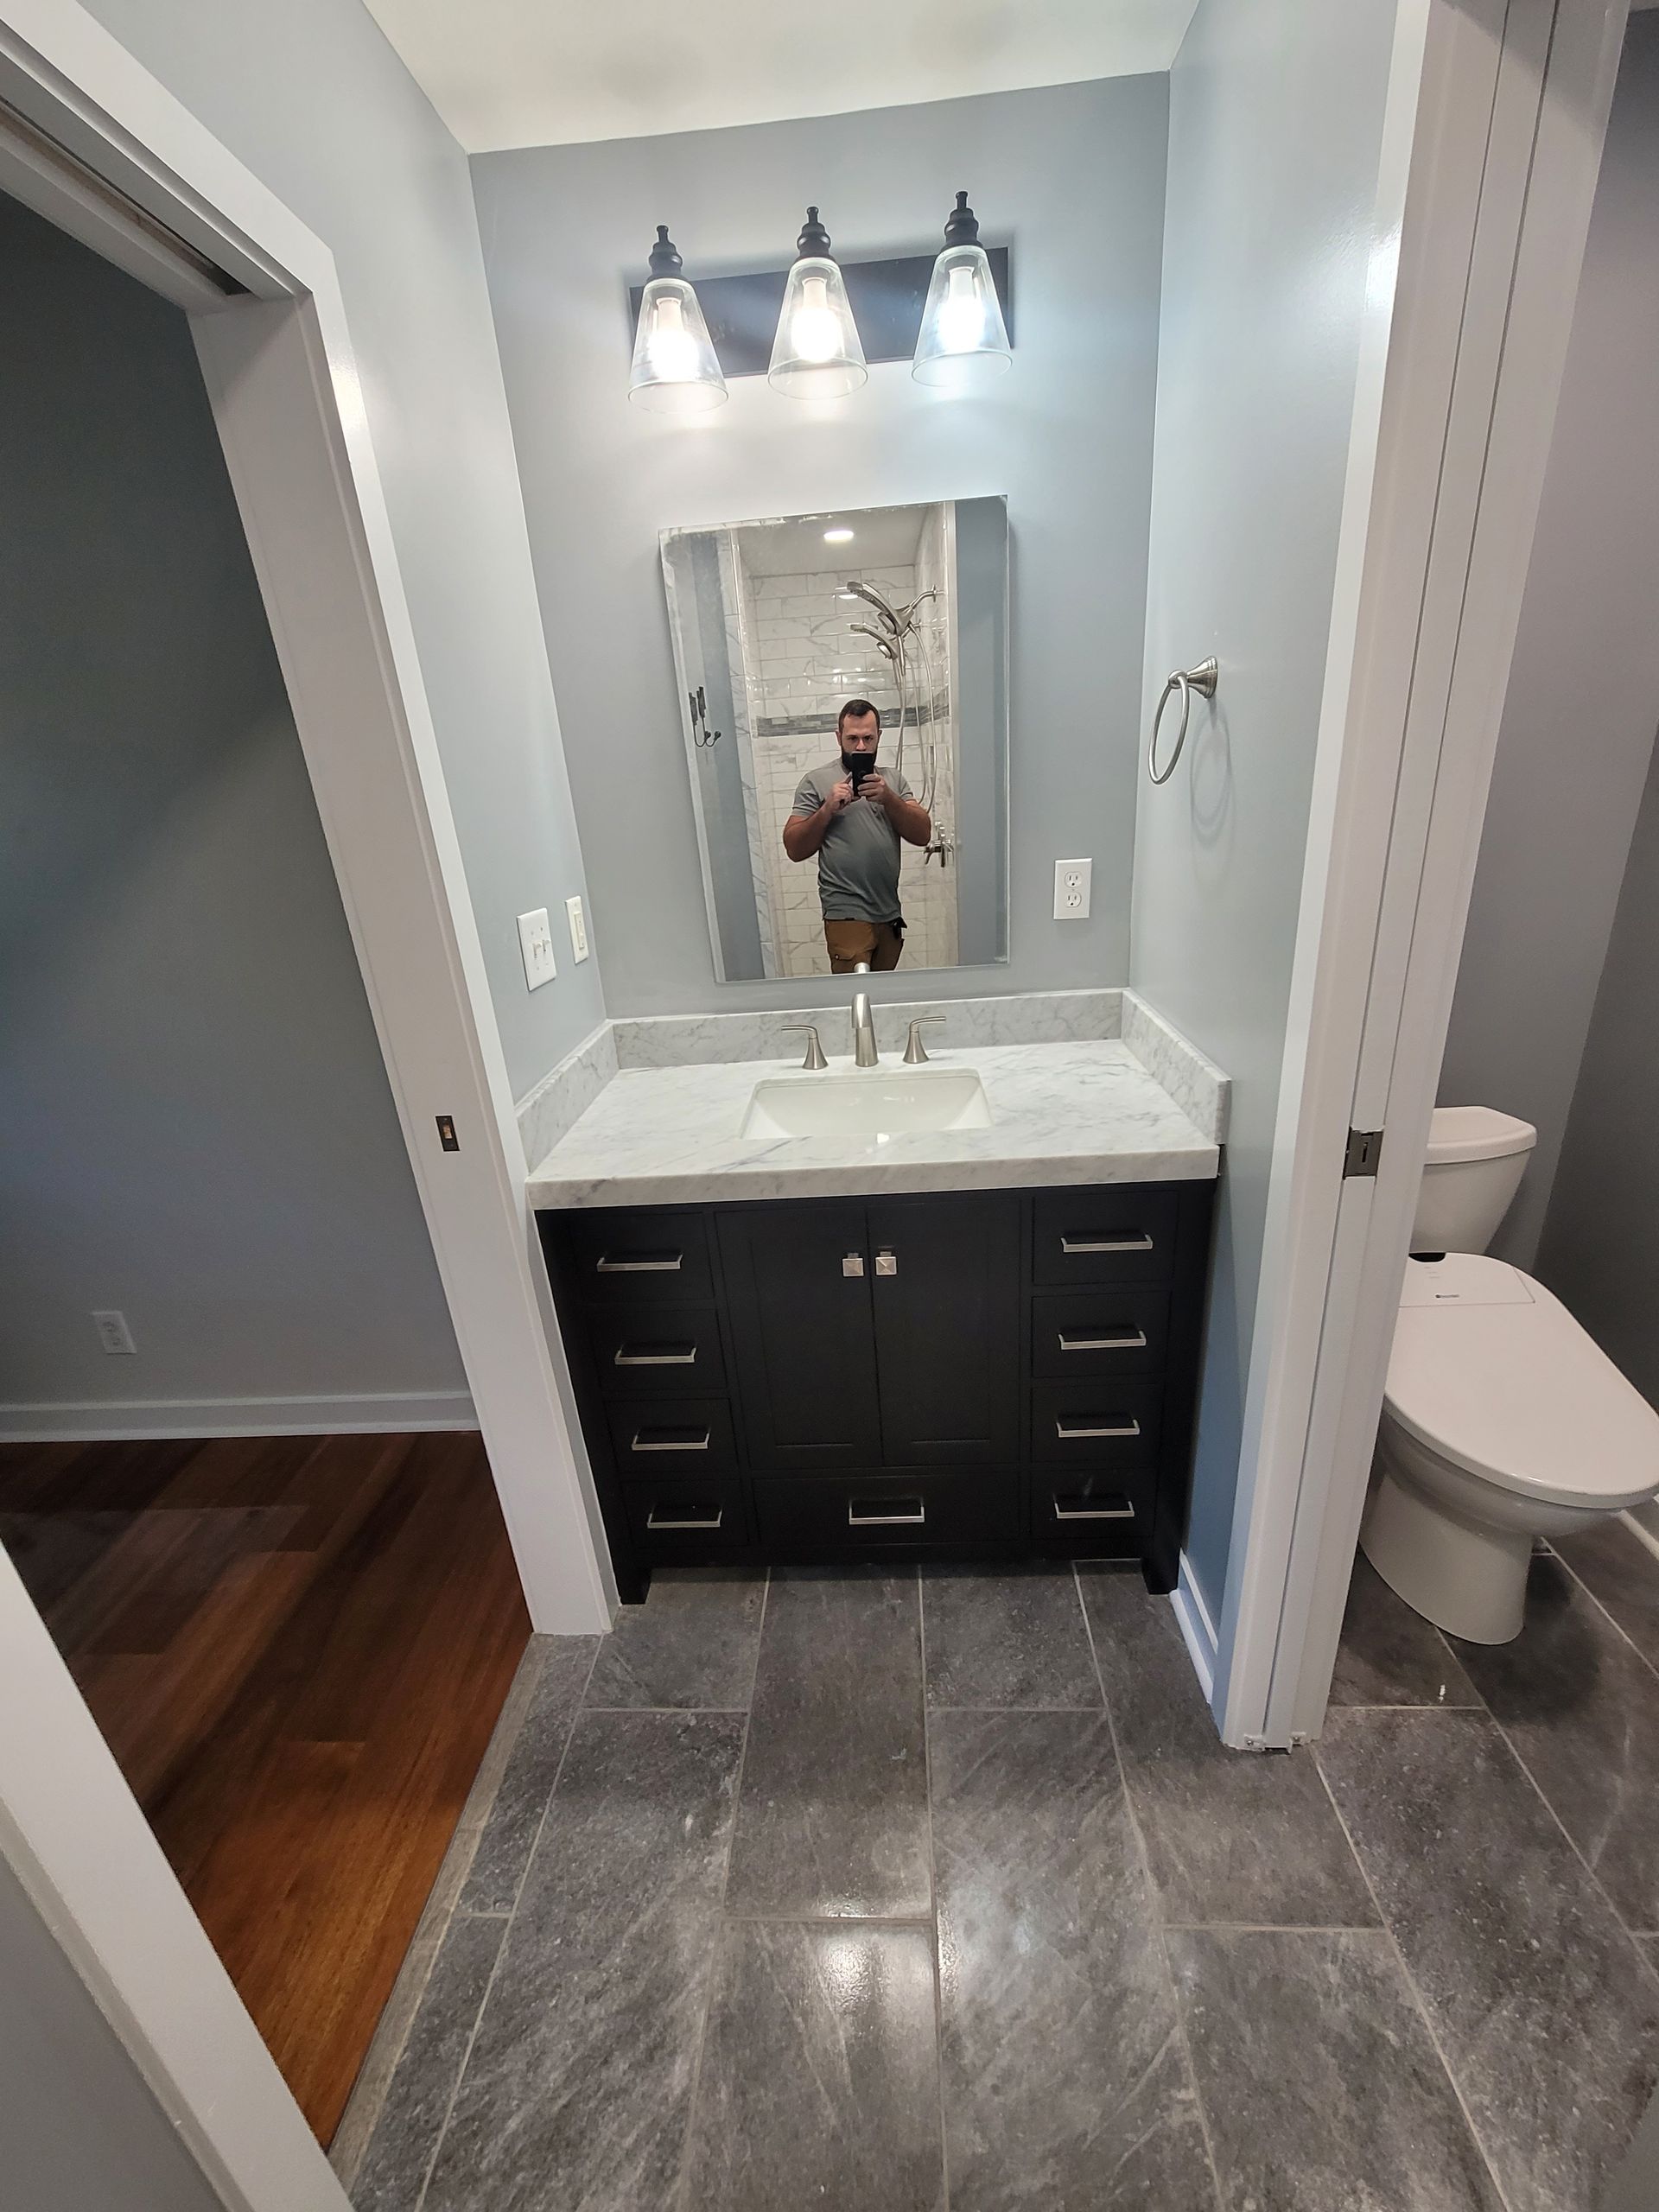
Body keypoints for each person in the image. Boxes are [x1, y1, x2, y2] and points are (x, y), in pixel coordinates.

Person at [782, 699, 932, 973]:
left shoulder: (893, 781)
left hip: (889, 914)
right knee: (858, 997)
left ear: (879, 738)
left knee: (880, 998)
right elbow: (794, 848)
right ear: (839, 737)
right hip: (845, 913)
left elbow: (923, 834)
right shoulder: (816, 781)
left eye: (868, 738)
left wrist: (889, 798)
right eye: (852, 738)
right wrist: (826, 809)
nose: (861, 746)